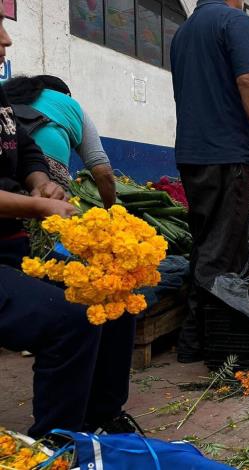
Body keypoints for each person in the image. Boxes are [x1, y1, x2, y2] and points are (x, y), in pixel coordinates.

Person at [0, 12, 139, 438]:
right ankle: (57, 443)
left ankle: (101, 418)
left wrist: (40, 182)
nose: (6, 40)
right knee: (71, 319)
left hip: (9, 252)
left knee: (111, 298)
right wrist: (40, 208)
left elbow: (25, 152)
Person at [170, 0, 249, 362]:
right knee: (223, 250)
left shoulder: (184, 31)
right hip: (226, 153)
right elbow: (248, 80)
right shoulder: (234, 21)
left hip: (193, 152)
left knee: (204, 243)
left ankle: (193, 338)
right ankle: (208, 341)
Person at [3, 75, 116, 207]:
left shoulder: (8, 94)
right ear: (66, 95)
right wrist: (111, 213)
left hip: (9, 162)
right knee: (48, 217)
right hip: (45, 176)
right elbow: (103, 171)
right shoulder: (71, 104)